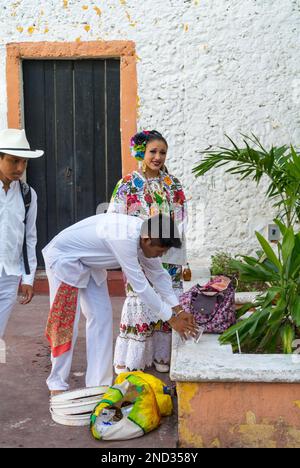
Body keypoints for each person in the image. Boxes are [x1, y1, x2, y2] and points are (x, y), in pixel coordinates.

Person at [42, 212, 197, 395]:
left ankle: (99, 386)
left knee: (102, 318)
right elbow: (141, 286)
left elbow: (159, 275)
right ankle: (57, 384)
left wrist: (178, 310)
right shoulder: (124, 238)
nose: (160, 255)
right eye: (160, 251)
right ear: (147, 241)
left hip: (90, 265)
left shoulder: (146, 236)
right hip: (64, 259)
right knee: (66, 323)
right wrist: (171, 318)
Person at [108, 130, 187, 373]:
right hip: (137, 250)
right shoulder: (127, 184)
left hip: (167, 253)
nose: (158, 157)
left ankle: (162, 356)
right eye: (153, 151)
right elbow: (115, 218)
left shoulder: (173, 184)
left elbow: (182, 219)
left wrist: (177, 251)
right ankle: (132, 358)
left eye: (162, 152)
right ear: (142, 152)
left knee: (166, 295)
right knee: (141, 297)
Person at [0, 128, 44, 338]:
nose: (20, 167)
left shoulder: (28, 195)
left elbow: (29, 238)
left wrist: (28, 278)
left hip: (10, 274)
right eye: (13, 160)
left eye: (24, 162)